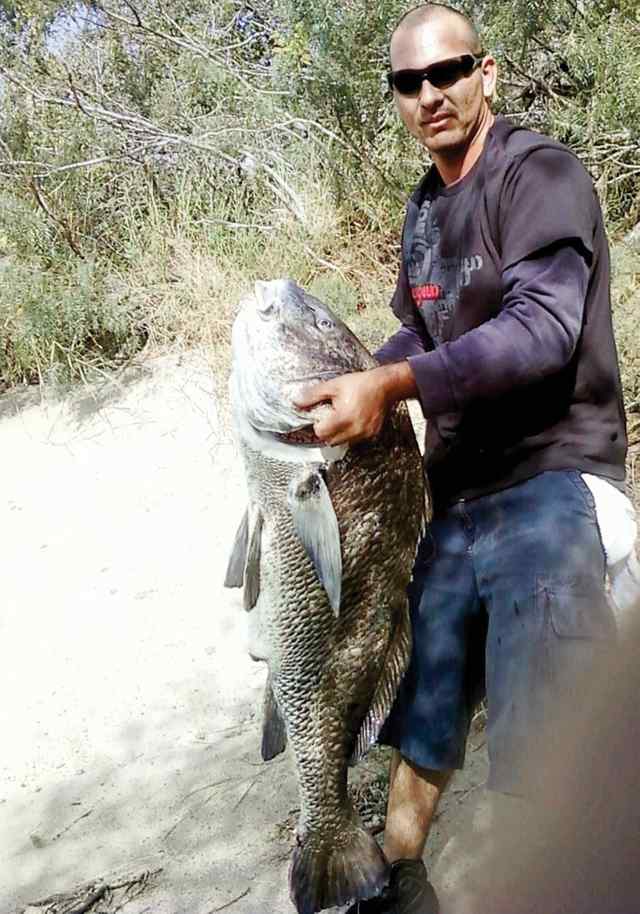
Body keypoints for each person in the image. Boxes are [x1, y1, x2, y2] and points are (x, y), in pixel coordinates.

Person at [295, 3, 640, 913]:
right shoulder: (424, 208)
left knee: (552, 728)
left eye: (446, 72)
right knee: (427, 695)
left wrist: (395, 385)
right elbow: (422, 323)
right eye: (409, 83)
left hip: (556, 481)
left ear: (485, 72)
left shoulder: (541, 176)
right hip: (460, 496)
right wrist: (352, 381)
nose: (430, 94)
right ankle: (395, 878)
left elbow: (543, 330)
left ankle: (571, 881)